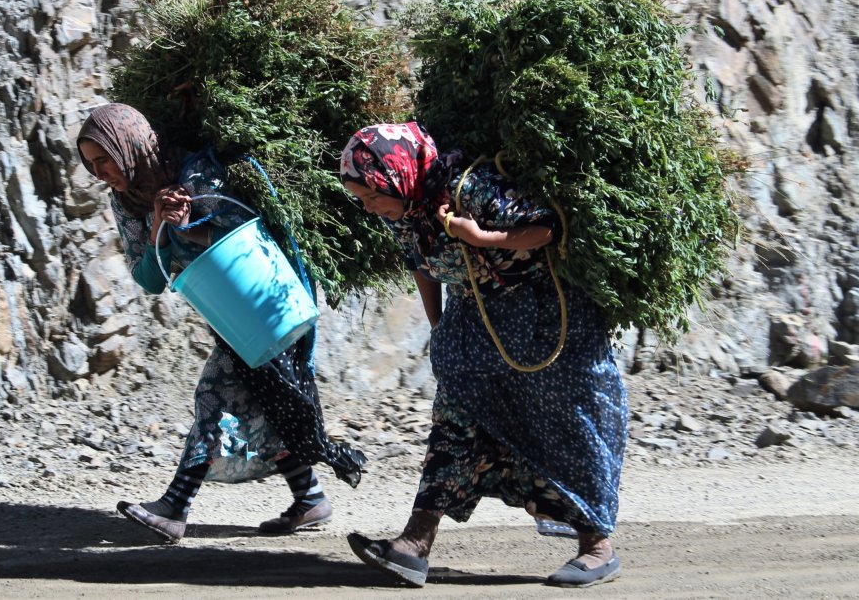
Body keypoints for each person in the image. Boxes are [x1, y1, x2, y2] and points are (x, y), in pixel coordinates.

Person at [339, 122, 627, 588]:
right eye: (363, 200)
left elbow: (544, 229)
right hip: (479, 331)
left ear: (396, 173)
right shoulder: (407, 213)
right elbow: (423, 267)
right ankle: (414, 545)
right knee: (455, 422)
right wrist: (440, 328)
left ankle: (597, 547)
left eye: (371, 196)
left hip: (548, 326)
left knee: (568, 428)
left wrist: (483, 238)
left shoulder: (468, 189)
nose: (370, 208)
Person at [76, 102, 366, 544]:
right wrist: (157, 225)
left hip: (266, 296)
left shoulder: (195, 169)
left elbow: (248, 229)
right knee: (268, 396)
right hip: (223, 308)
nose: (100, 172)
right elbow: (149, 277)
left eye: (104, 159)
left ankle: (174, 507)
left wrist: (189, 224)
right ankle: (309, 498)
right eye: (91, 164)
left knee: (217, 393)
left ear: (128, 145)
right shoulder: (126, 200)